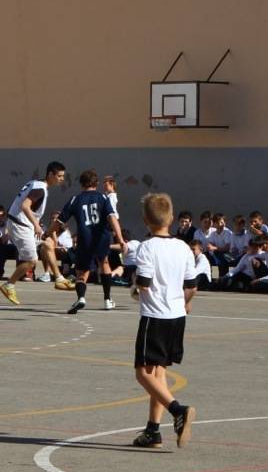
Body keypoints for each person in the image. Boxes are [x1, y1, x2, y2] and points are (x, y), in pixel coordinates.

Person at [129, 192, 196, 449]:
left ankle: (177, 410)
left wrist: (135, 289)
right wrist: (186, 302)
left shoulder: (146, 248)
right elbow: (191, 285)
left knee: (143, 374)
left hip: (154, 317)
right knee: (159, 372)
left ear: (146, 220)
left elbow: (143, 284)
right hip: (177, 316)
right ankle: (153, 430)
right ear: (171, 217)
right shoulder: (183, 247)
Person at [0, 161, 74, 305]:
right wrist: (36, 225)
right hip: (20, 225)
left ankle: (59, 279)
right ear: (50, 174)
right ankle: (9, 285)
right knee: (31, 261)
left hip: (22, 223)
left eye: (63, 176)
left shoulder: (35, 183)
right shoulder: (40, 189)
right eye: (59, 176)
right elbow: (25, 206)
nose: (61, 179)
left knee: (48, 243)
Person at [56, 169, 124, 314]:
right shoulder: (103, 198)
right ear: (97, 183)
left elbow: (61, 219)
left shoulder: (76, 199)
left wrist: (48, 233)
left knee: (82, 271)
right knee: (104, 263)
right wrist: (120, 239)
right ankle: (107, 299)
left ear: (81, 183)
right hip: (101, 237)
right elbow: (112, 218)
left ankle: (81, 297)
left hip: (85, 238)